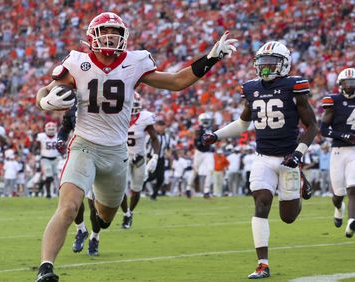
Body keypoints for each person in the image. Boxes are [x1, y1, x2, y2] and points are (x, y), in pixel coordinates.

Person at [35, 11, 237, 281]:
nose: (110, 37)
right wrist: (43, 102)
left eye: (116, 33)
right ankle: (46, 268)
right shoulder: (77, 62)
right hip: (84, 145)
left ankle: (96, 216)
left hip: (117, 152)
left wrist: (210, 59)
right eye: (105, 32)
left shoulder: (136, 61)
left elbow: (178, 81)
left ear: (124, 37)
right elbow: (44, 92)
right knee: (68, 207)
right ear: (92, 37)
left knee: (105, 218)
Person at [202, 41, 318, 279]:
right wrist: (216, 135)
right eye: (262, 64)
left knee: (288, 217)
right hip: (263, 157)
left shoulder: (293, 86)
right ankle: (262, 264)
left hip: (289, 159)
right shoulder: (252, 88)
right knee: (261, 203)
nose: (265, 68)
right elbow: (243, 123)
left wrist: (298, 153)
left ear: (284, 64)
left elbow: (312, 125)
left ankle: (300, 184)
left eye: (271, 63)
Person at [320, 67, 355, 238]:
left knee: (353, 188)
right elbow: (324, 129)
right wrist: (344, 135)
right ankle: (338, 208)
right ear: (340, 85)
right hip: (338, 151)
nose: (350, 86)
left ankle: (351, 222)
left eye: (353, 83)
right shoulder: (333, 101)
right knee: (338, 194)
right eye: (347, 83)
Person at [121, 92, 160, 228]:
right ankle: (125, 214)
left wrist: (155, 156)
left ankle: (130, 212)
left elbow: (154, 138)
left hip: (139, 157)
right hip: (122, 157)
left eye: (134, 105)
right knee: (120, 189)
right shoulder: (117, 116)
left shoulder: (145, 118)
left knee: (136, 189)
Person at [187, 113, 215, 198]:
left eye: (207, 121)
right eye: (205, 121)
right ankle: (188, 188)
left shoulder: (211, 129)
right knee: (195, 170)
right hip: (199, 151)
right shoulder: (198, 129)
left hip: (208, 152)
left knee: (210, 170)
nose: (206, 122)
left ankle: (206, 191)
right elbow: (197, 143)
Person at [142, 119, 170, 201]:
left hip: (161, 159)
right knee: (150, 176)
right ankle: (138, 190)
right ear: (156, 126)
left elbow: (168, 148)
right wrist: (146, 158)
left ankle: (154, 195)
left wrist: (168, 154)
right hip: (151, 158)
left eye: (163, 126)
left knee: (161, 178)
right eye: (160, 126)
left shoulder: (167, 137)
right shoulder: (149, 136)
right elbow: (145, 147)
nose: (162, 128)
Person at [35, 122, 60, 199]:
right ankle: (48, 194)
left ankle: (40, 186)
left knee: (56, 177)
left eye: (52, 129)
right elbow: (36, 146)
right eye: (49, 129)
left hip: (56, 158)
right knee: (49, 177)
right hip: (45, 158)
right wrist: (37, 153)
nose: (51, 130)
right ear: (45, 129)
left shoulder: (58, 136)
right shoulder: (41, 136)